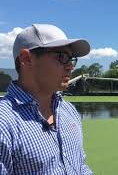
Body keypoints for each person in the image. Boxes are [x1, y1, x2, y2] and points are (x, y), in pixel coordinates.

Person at [0, 24, 93, 174]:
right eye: (62, 57)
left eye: (71, 59)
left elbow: (80, 166)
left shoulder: (69, 111)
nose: (71, 67)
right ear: (26, 59)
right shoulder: (4, 124)